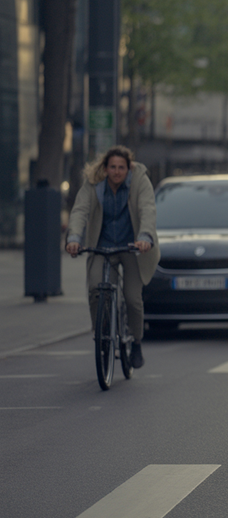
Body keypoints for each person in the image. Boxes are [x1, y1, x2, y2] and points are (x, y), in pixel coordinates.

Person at [65, 146, 159, 369]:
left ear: (129, 168)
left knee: (133, 297)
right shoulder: (93, 184)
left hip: (133, 248)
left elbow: (148, 209)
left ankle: (136, 341)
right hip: (102, 246)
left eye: (122, 168)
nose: (117, 172)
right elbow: (80, 210)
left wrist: (145, 237)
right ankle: (102, 334)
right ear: (105, 168)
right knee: (96, 288)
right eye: (112, 167)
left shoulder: (139, 181)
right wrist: (74, 238)